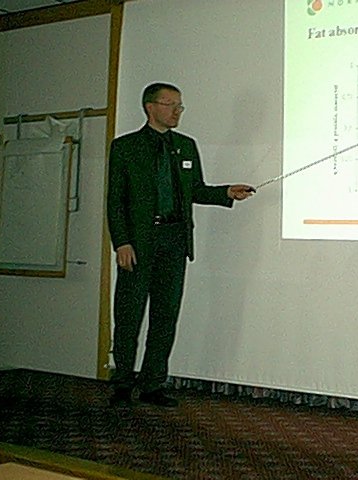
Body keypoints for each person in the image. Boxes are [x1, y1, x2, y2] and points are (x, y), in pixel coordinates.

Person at [107, 82, 255, 407]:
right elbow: (115, 201)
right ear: (150, 107)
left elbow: (195, 190)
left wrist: (226, 192)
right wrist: (122, 242)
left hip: (174, 241)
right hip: (139, 243)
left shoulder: (185, 146)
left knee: (165, 316)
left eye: (180, 105)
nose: (177, 111)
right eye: (170, 104)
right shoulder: (126, 147)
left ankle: (152, 384)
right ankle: (121, 383)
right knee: (129, 314)